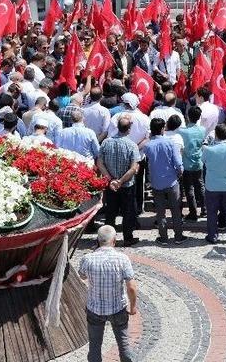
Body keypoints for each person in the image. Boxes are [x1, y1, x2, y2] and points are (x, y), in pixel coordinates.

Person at [78, 225, 138, 362]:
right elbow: (132, 287)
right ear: (114, 240)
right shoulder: (122, 259)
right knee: (124, 345)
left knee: (94, 347)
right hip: (118, 309)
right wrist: (133, 306)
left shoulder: (87, 259)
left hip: (95, 309)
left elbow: (82, 276)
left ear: (98, 240)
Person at [97, 115, 141, 247]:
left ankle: (107, 239)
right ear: (129, 129)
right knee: (128, 212)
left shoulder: (106, 142)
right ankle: (128, 238)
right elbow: (134, 168)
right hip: (126, 184)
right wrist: (120, 181)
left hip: (111, 184)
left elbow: (99, 163)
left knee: (110, 212)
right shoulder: (132, 145)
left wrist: (111, 180)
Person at [141, 118, 186, 245]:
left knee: (160, 212)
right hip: (171, 180)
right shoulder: (170, 143)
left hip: (156, 182)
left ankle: (163, 237)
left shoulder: (148, 146)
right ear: (162, 129)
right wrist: (180, 171)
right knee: (176, 210)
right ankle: (178, 236)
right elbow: (178, 162)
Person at [201, 124, 226, 244]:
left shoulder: (208, 150)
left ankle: (212, 236)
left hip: (212, 186)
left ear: (216, 135)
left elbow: (204, 161)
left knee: (212, 212)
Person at [178, 106, 207, 220]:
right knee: (200, 186)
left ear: (188, 117)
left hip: (186, 164)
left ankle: (193, 212)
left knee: (189, 189)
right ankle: (204, 209)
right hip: (199, 162)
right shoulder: (202, 130)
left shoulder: (183, 132)